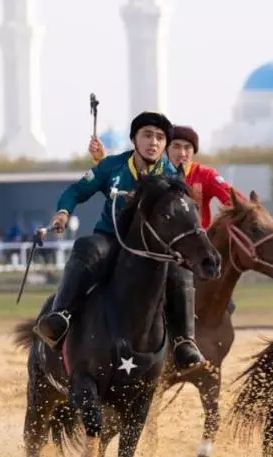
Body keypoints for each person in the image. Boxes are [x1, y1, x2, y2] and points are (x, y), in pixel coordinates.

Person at [35, 110, 208, 372]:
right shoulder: (111, 166)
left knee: (181, 275)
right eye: (147, 135)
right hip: (111, 238)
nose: (154, 142)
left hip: (154, 250)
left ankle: (185, 342)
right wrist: (63, 212)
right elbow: (76, 191)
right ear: (134, 140)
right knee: (86, 248)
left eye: (160, 138)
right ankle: (60, 316)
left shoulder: (172, 176)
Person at [90, 124, 246, 229]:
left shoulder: (206, 175)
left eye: (187, 148)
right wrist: (102, 161)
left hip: (198, 245)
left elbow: (235, 201)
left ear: (194, 151)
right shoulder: (154, 173)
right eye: (176, 146)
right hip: (163, 247)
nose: (182, 153)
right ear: (165, 149)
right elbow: (122, 183)